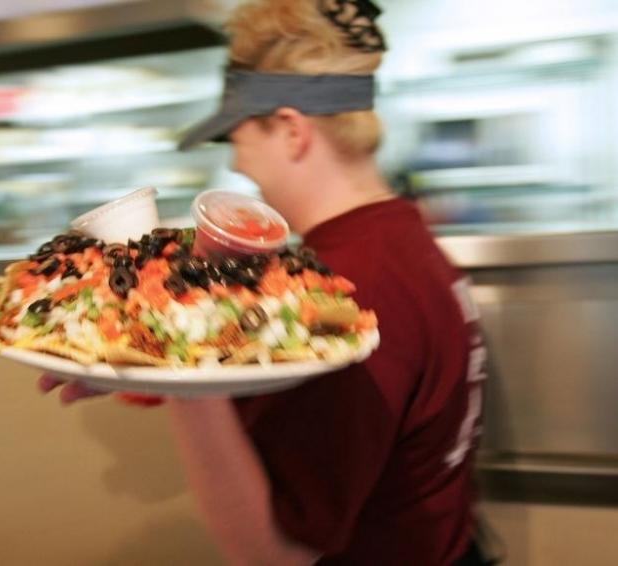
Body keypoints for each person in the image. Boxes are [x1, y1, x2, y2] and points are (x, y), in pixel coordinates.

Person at [40, 1, 493, 564]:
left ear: (290, 130)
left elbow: (273, 551)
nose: (239, 165)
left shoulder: (348, 290)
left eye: (236, 137)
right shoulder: (401, 244)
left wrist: (181, 371)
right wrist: (144, 355)